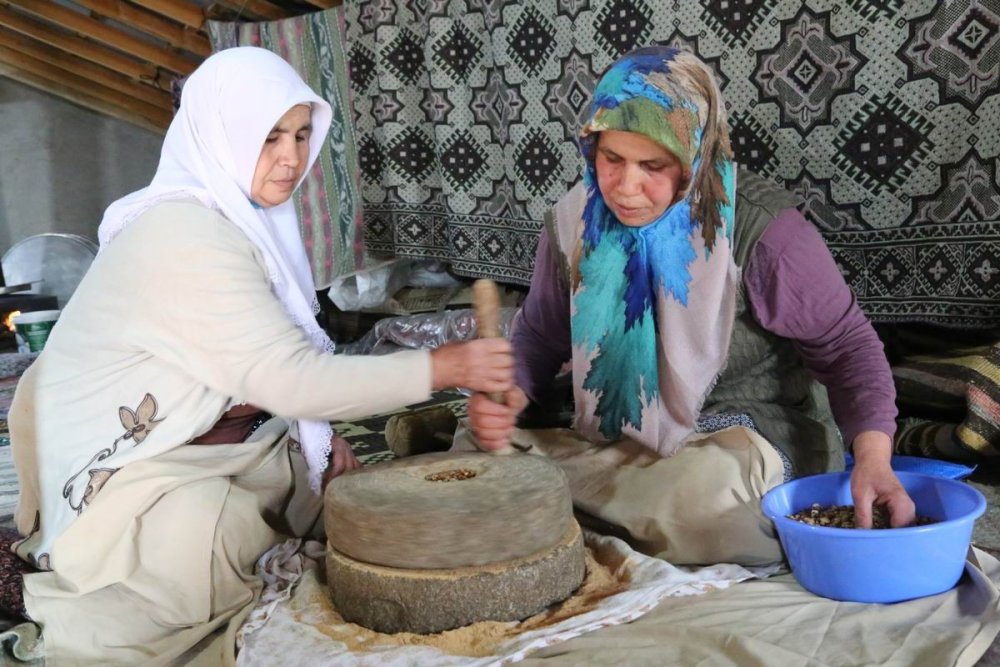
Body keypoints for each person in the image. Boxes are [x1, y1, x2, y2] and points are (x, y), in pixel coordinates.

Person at [3, 47, 512, 665]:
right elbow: (291, 380)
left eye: (301, 135)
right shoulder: (183, 236)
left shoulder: (244, 222)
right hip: (142, 468)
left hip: (214, 436)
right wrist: (447, 368)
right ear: (222, 135)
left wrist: (317, 440)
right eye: (269, 137)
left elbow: (278, 368)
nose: (292, 158)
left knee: (325, 486)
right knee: (204, 544)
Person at [467, 45, 914, 566]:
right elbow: (540, 336)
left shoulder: (763, 232)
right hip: (610, 428)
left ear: (693, 157)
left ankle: (549, 503)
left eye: (653, 165)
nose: (625, 188)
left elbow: (847, 349)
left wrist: (875, 460)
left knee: (718, 513)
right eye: (611, 159)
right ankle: (582, 504)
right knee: (473, 438)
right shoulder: (572, 221)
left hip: (730, 437)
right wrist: (508, 397)